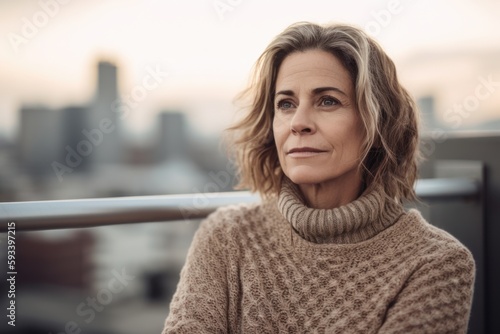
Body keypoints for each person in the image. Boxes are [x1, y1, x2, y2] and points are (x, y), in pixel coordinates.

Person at [161, 22, 475, 333]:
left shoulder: (436, 262)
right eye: (286, 104)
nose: (298, 123)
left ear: (378, 125)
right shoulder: (226, 236)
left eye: (327, 101)